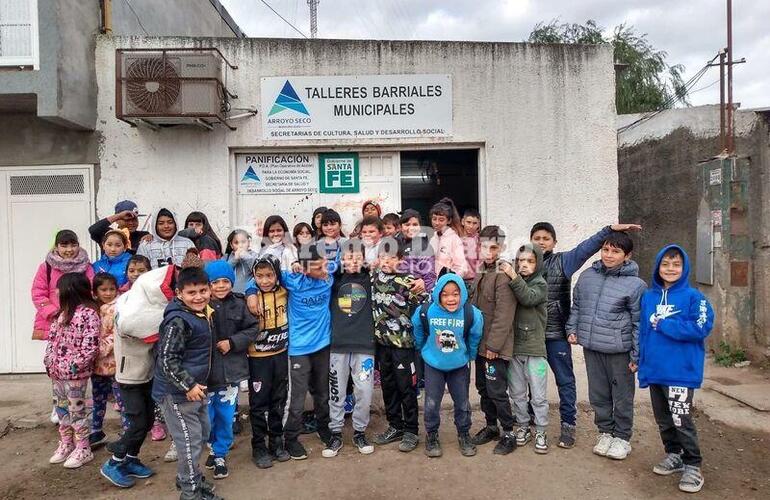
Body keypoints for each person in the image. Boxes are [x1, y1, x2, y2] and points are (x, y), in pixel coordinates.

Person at [530, 221, 642, 448]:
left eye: (546, 238)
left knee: (565, 381)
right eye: (537, 238)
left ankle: (569, 426)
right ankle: (531, 421)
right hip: (530, 336)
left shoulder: (565, 261)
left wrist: (609, 229)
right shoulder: (524, 262)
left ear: (554, 242)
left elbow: (587, 247)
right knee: (531, 380)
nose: (541, 242)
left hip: (555, 335)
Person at [638, 245, 714, 494]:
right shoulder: (649, 297)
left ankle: (693, 465)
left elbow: (700, 328)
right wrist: (642, 362)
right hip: (656, 370)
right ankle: (674, 455)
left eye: (676, 265)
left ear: (684, 268)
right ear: (658, 267)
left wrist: (666, 325)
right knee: (663, 420)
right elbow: (644, 333)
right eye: (666, 264)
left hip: (681, 372)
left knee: (681, 419)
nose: (671, 269)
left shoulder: (695, 298)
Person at [567, 231, 647, 461]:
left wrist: (636, 354)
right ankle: (605, 432)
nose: (609, 255)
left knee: (621, 395)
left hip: (619, 351)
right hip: (592, 347)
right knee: (598, 394)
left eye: (616, 251)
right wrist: (572, 330)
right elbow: (577, 307)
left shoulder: (636, 285)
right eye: (605, 249)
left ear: (627, 255)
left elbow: (638, 322)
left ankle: (622, 437)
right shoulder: (587, 277)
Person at [152, 266, 222, 500]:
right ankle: (190, 493)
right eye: (192, 292)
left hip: (196, 390)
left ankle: (188, 478)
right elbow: (166, 360)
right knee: (190, 444)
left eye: (203, 290)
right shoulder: (178, 321)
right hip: (178, 395)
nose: (199, 296)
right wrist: (188, 386)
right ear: (179, 293)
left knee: (201, 435)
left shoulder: (202, 314)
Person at [273, 243, 334, 459]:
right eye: (317, 268)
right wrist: (252, 292)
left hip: (323, 344)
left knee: (322, 391)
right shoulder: (291, 279)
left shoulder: (330, 272)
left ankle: (323, 427)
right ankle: (290, 437)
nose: (324, 270)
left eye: (324, 265)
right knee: (296, 397)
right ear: (305, 268)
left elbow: (356, 264)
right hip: (298, 348)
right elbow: (261, 276)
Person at [413, 274, 483, 458]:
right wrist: (421, 348)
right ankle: (432, 434)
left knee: (462, 402)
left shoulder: (471, 313)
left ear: (462, 294)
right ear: (437, 294)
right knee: (431, 402)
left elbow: (475, 335)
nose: (450, 299)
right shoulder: (427, 311)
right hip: (433, 365)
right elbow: (417, 328)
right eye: (444, 294)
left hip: (459, 366)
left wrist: (471, 355)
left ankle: (464, 433)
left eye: (455, 294)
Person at [203, 261, 259, 479]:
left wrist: (233, 342)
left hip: (230, 374)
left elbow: (253, 328)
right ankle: (212, 446)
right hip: (206, 375)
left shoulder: (240, 303)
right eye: (215, 282)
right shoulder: (200, 305)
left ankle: (220, 454)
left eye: (225, 281)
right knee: (207, 417)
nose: (220, 286)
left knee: (226, 416)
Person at [323, 239, 377, 458]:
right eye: (347, 257)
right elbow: (312, 272)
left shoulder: (371, 278)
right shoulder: (333, 279)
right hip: (338, 345)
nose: (352, 261)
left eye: (356, 257)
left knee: (364, 391)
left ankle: (359, 432)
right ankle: (335, 432)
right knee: (336, 391)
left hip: (364, 345)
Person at [468, 226, 517, 455]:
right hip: (480, 344)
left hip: (494, 347)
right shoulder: (481, 270)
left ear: (501, 247)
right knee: (483, 387)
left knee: (497, 390)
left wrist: (493, 347)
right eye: (483, 246)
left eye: (493, 247)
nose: (487, 251)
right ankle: (491, 427)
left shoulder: (503, 274)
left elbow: (504, 315)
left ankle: (509, 432)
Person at [371, 244, 425, 453]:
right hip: (382, 345)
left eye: (392, 257)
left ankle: (411, 430)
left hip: (403, 346)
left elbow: (425, 302)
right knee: (388, 386)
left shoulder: (407, 281)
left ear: (401, 259)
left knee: (406, 387)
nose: (386, 261)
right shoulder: (374, 277)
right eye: (383, 257)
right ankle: (395, 426)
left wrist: (422, 285)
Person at [44, 272, 100, 469]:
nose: (56, 291)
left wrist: (74, 365)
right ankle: (67, 443)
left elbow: (91, 345)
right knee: (60, 408)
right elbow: (51, 340)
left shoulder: (89, 314)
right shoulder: (61, 313)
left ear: (70, 289)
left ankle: (83, 447)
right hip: (57, 373)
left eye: (59, 288)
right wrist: (49, 361)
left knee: (77, 409)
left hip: (75, 375)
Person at [501, 244, 549, 454]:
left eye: (530, 261)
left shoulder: (540, 284)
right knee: (517, 393)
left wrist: (513, 276)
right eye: (520, 261)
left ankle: (540, 430)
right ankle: (522, 426)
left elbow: (528, 297)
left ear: (538, 263)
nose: (524, 265)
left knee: (538, 395)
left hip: (535, 350)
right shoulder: (513, 282)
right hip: (515, 348)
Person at [244, 255, 291, 468]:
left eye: (270, 275)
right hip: (257, 359)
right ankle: (258, 446)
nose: (265, 280)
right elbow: (246, 287)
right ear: (253, 277)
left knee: (278, 399)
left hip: (280, 354)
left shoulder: (285, 292)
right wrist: (250, 291)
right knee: (258, 403)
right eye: (259, 276)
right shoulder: (247, 298)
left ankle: (276, 441)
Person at [31, 229, 95, 341]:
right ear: (56, 247)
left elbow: (91, 291)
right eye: (64, 246)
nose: (69, 250)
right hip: (52, 321)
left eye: (73, 245)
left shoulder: (86, 267)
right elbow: (38, 294)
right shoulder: (46, 267)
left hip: (79, 320)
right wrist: (54, 312)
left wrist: (80, 313)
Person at [90, 272, 126, 448]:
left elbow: (114, 334)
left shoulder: (117, 308)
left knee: (122, 400)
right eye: (103, 289)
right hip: (96, 365)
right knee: (98, 399)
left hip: (114, 363)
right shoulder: (93, 308)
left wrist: (98, 350)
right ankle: (96, 430)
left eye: (112, 289)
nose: (108, 293)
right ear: (95, 292)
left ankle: (127, 433)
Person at [400, 209, 437, 293]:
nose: (411, 228)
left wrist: (424, 284)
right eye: (407, 225)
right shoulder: (396, 244)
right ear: (401, 227)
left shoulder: (424, 247)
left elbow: (429, 276)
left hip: (416, 294)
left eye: (415, 225)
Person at [429, 198, 467, 278]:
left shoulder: (454, 239)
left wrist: (449, 281)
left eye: (441, 220)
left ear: (449, 221)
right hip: (432, 285)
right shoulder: (432, 239)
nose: (436, 223)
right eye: (434, 219)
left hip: (447, 284)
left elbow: (461, 268)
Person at [223, 229, 258, 294]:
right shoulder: (226, 257)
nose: (240, 245)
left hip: (248, 295)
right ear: (231, 245)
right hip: (230, 295)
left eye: (243, 242)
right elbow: (222, 272)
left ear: (249, 243)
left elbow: (257, 269)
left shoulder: (254, 255)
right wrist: (235, 259)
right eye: (236, 243)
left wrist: (246, 257)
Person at [461, 208, 481, 284]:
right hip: (457, 280)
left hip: (474, 281)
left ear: (478, 225)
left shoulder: (480, 241)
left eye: (474, 223)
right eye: (468, 222)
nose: (471, 226)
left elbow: (481, 264)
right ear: (463, 222)